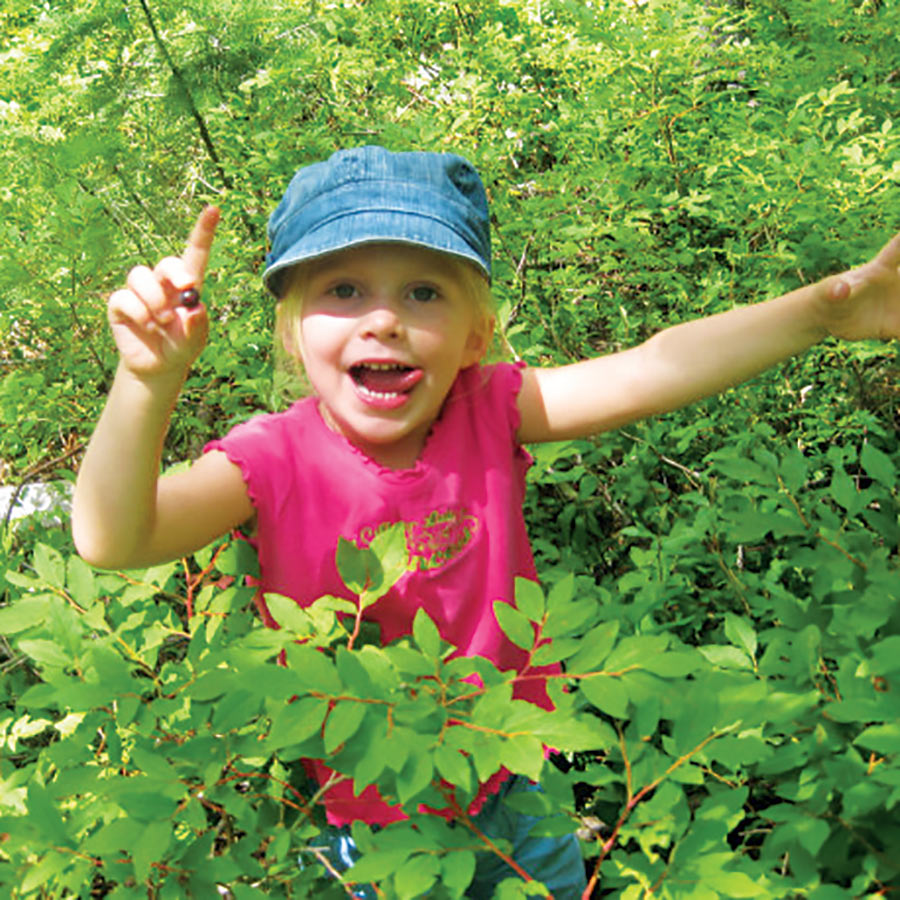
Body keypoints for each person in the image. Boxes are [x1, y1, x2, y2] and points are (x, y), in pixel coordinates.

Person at [72, 146, 900, 899]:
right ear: (293, 331)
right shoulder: (268, 460)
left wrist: (821, 313)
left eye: (423, 291)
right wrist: (147, 383)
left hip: (516, 781)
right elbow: (116, 540)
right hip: (370, 819)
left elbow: (653, 366)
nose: (383, 319)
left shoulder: (493, 408)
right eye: (342, 289)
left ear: (476, 335)